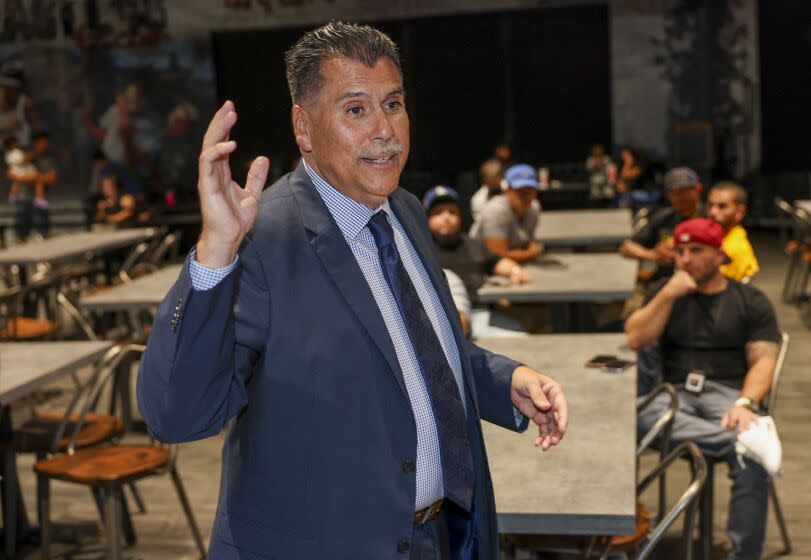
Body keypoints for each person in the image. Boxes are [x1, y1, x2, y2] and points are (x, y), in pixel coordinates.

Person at [137, 21, 568, 559]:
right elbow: (177, 415)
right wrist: (215, 253)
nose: (384, 130)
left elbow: (416, 357)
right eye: (356, 109)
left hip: (436, 538)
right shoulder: (260, 238)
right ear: (303, 126)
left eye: (393, 104)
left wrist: (504, 378)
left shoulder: (406, 212)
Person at [626, 217, 782, 560]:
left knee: (750, 461)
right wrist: (667, 294)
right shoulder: (666, 292)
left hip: (728, 396)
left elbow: (763, 361)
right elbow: (636, 337)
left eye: (696, 250)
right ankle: (738, 442)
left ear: (719, 254)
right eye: (680, 251)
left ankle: (744, 556)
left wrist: (745, 403)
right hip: (672, 395)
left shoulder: (749, 299)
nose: (685, 259)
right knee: (633, 421)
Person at [423, 185, 528, 335]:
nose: (446, 217)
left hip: (478, 313)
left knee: (521, 335)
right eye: (438, 213)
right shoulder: (419, 250)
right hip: (438, 320)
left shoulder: (472, 244)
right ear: (426, 218)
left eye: (452, 212)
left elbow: (497, 262)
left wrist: (515, 270)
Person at [620, 166, 704, 284]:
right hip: (665, 280)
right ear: (667, 195)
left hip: (701, 280)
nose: (679, 196)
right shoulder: (663, 217)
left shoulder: (711, 216)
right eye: (674, 192)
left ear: (698, 189)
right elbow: (626, 247)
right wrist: (653, 254)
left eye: (684, 191)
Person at [470, 163, 543, 263]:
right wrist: (531, 253)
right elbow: (496, 256)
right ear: (507, 190)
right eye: (520, 191)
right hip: (481, 266)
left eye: (530, 189)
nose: (526, 195)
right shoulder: (495, 209)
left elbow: (528, 242)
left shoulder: (534, 208)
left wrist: (530, 248)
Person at [707, 181, 759, 282]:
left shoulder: (734, 248)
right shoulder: (720, 236)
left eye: (722, 206)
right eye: (710, 205)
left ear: (740, 212)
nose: (713, 212)